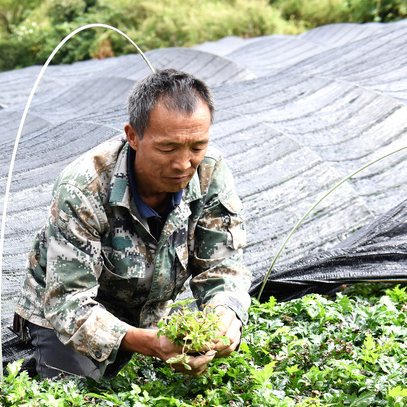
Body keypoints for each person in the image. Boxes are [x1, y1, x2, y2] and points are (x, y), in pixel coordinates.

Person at [13, 68, 251, 380]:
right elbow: (68, 303)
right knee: (75, 403)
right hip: (68, 314)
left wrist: (225, 315)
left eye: (197, 146)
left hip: (146, 310)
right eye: (168, 148)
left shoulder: (210, 171)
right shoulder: (84, 187)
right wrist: (153, 344)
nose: (183, 164)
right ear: (133, 136)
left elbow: (222, 268)